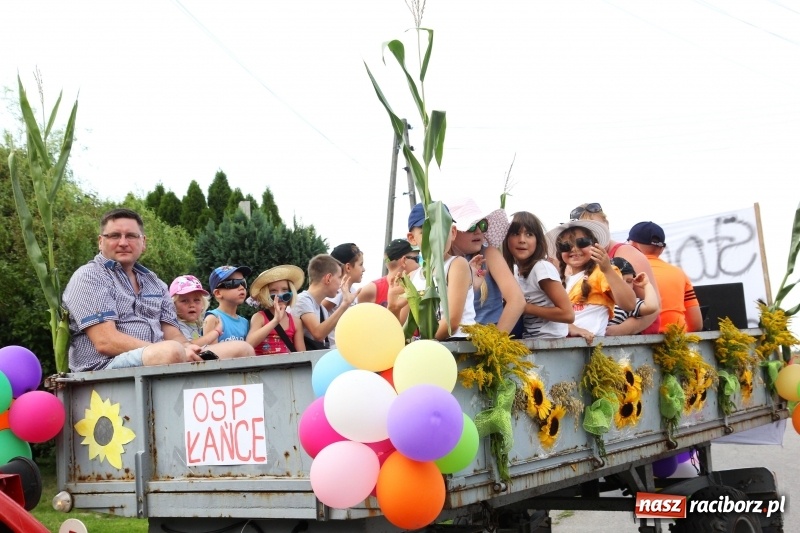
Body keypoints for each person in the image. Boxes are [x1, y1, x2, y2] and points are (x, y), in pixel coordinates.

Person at [63, 208, 204, 372]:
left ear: (143, 242)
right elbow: (105, 341)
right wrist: (160, 351)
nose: (123, 243)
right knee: (171, 351)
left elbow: (171, 332)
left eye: (130, 236)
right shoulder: (89, 276)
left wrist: (188, 348)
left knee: (237, 350)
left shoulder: (156, 283)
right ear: (100, 242)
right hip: (104, 368)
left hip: (160, 358)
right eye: (115, 236)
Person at [570, 202, 661, 334]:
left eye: (596, 228)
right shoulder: (577, 259)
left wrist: (620, 330)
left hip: (636, 341)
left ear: (606, 225)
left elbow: (654, 306)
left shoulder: (626, 254)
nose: (592, 234)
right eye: (585, 231)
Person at [546, 220, 636, 344]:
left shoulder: (601, 272)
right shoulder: (559, 280)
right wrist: (572, 328)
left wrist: (608, 270)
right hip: (561, 344)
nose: (574, 249)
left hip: (589, 347)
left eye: (582, 243)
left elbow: (629, 304)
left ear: (594, 245)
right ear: (559, 252)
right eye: (565, 246)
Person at [395, 203, 476, 340]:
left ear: (453, 233)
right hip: (430, 347)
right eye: (427, 231)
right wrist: (393, 307)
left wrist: (424, 342)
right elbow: (402, 326)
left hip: (459, 345)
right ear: (412, 238)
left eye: (442, 229)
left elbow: (452, 321)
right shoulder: (412, 277)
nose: (435, 237)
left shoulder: (456, 265)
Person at [448, 198, 525, 333]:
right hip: (454, 339)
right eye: (471, 226)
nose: (478, 231)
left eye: (482, 225)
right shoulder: (443, 263)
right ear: (453, 232)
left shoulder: (489, 254)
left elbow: (517, 300)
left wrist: (494, 343)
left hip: (486, 338)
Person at [503, 211, 573, 338]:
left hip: (549, 343)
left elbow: (568, 314)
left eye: (529, 234)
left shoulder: (542, 268)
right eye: (515, 234)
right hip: (529, 341)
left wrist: (523, 307)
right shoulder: (514, 271)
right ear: (506, 239)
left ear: (538, 240)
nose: (522, 240)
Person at [627, 221, 703, 332]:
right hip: (677, 341)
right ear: (662, 249)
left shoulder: (626, 272)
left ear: (633, 245)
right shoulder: (679, 273)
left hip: (639, 342)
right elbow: (696, 324)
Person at [170, 274, 255, 358]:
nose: (192, 305)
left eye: (196, 300)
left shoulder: (197, 324)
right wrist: (216, 332)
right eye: (184, 301)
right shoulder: (177, 326)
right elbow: (190, 346)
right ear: (173, 304)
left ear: (203, 304)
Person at [295, 254, 359, 348]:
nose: (341, 283)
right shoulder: (302, 300)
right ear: (328, 278)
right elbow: (318, 334)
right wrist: (345, 304)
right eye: (339, 277)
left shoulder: (322, 309)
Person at [247, 265, 306, 354]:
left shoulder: (296, 322)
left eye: (285, 289)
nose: (280, 295)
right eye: (273, 291)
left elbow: (302, 354)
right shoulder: (259, 317)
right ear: (265, 294)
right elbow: (249, 344)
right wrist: (275, 321)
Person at [605, 258, 660, 335]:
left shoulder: (630, 304)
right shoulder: (597, 298)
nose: (624, 285)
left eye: (629, 281)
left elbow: (652, 307)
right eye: (619, 280)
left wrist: (647, 285)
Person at [358, 239, 420, 307]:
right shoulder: (371, 290)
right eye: (417, 259)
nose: (419, 265)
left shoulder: (418, 287)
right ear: (404, 261)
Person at [203, 266, 253, 344]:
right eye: (233, 283)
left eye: (243, 283)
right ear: (218, 293)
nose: (241, 287)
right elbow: (211, 353)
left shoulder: (245, 322)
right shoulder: (213, 319)